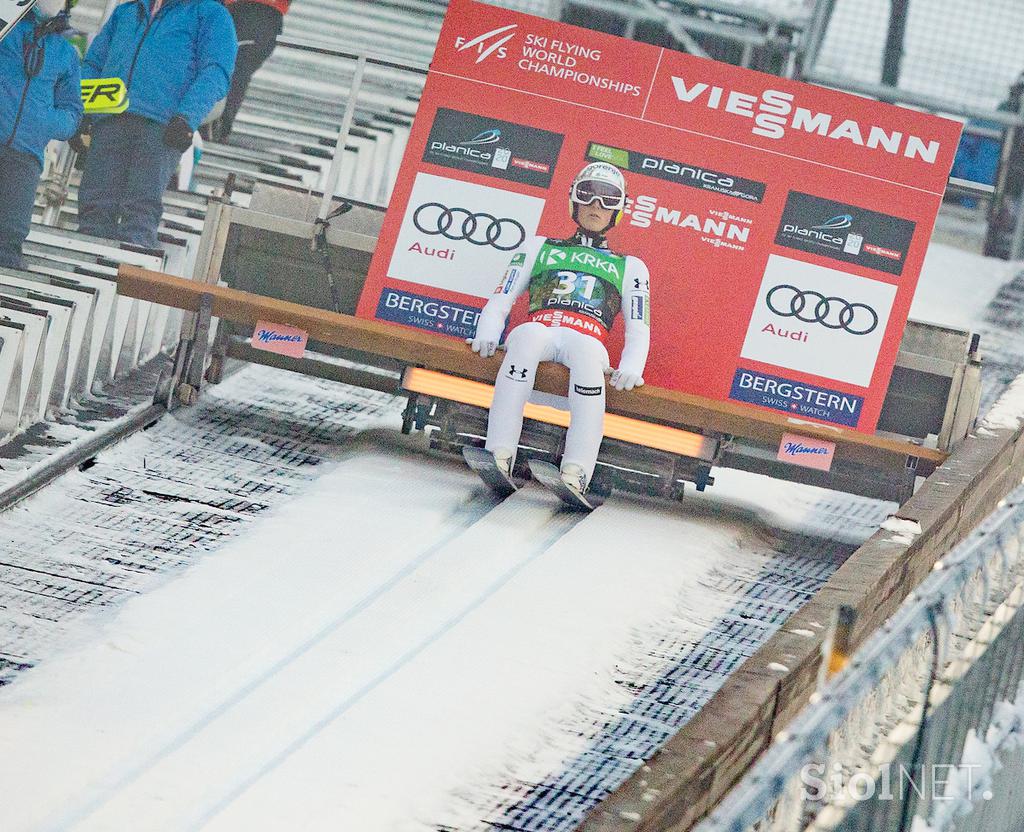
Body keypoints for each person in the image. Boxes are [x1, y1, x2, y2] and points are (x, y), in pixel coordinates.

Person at [468, 161, 652, 498]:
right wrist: (489, 331)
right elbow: (503, 295)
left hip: (589, 336)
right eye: (588, 195)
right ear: (574, 200)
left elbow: (639, 326)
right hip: (543, 326)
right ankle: (499, 451)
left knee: (586, 358)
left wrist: (631, 366)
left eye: (608, 199)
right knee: (524, 338)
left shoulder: (631, 266)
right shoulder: (539, 246)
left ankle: (577, 469)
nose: (597, 206)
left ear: (619, 210)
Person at [74, 0, 237, 248]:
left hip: (161, 126)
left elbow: (216, 72)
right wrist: (82, 110)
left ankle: (130, 277)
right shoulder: (127, 11)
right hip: (108, 120)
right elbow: (94, 63)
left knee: (140, 210)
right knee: (94, 208)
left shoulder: (210, 14)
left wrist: (186, 117)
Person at [0, 0, 82, 269]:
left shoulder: (66, 53)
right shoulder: (6, 27)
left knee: (9, 238)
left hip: (25, 157)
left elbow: (72, 111)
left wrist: (43, 123)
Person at [208, 0, 290, 142]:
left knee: (233, 69)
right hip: (263, 15)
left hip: (251, 13)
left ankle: (215, 123)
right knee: (236, 71)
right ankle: (216, 123)